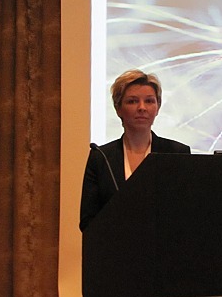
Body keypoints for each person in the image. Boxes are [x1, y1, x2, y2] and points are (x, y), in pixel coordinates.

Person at [79, 69, 190, 232]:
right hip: (115, 245)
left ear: (158, 107)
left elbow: (185, 214)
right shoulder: (101, 157)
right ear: (118, 108)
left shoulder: (176, 153)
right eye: (132, 101)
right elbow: (88, 221)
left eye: (149, 101)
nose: (142, 108)